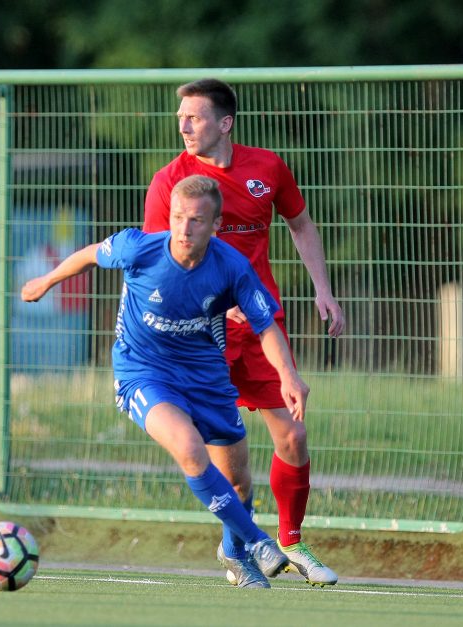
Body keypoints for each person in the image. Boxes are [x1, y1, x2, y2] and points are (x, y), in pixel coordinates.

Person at [22, 175, 309, 589]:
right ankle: (258, 541)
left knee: (238, 480)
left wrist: (288, 376)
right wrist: (46, 282)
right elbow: (88, 254)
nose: (184, 228)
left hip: (206, 377)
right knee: (190, 449)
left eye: (196, 220)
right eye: (178, 217)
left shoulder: (231, 267)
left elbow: (266, 326)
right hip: (144, 373)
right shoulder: (140, 248)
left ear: (215, 223)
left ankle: (234, 551)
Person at [143, 78, 345, 587]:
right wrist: (207, 301)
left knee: (294, 435)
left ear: (226, 122)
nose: (185, 126)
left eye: (196, 116)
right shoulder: (170, 181)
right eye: (181, 117)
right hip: (200, 335)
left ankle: (293, 543)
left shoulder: (267, 168)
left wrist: (322, 288)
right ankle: (239, 548)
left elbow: (300, 224)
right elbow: (156, 263)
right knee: (230, 462)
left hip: (259, 327)